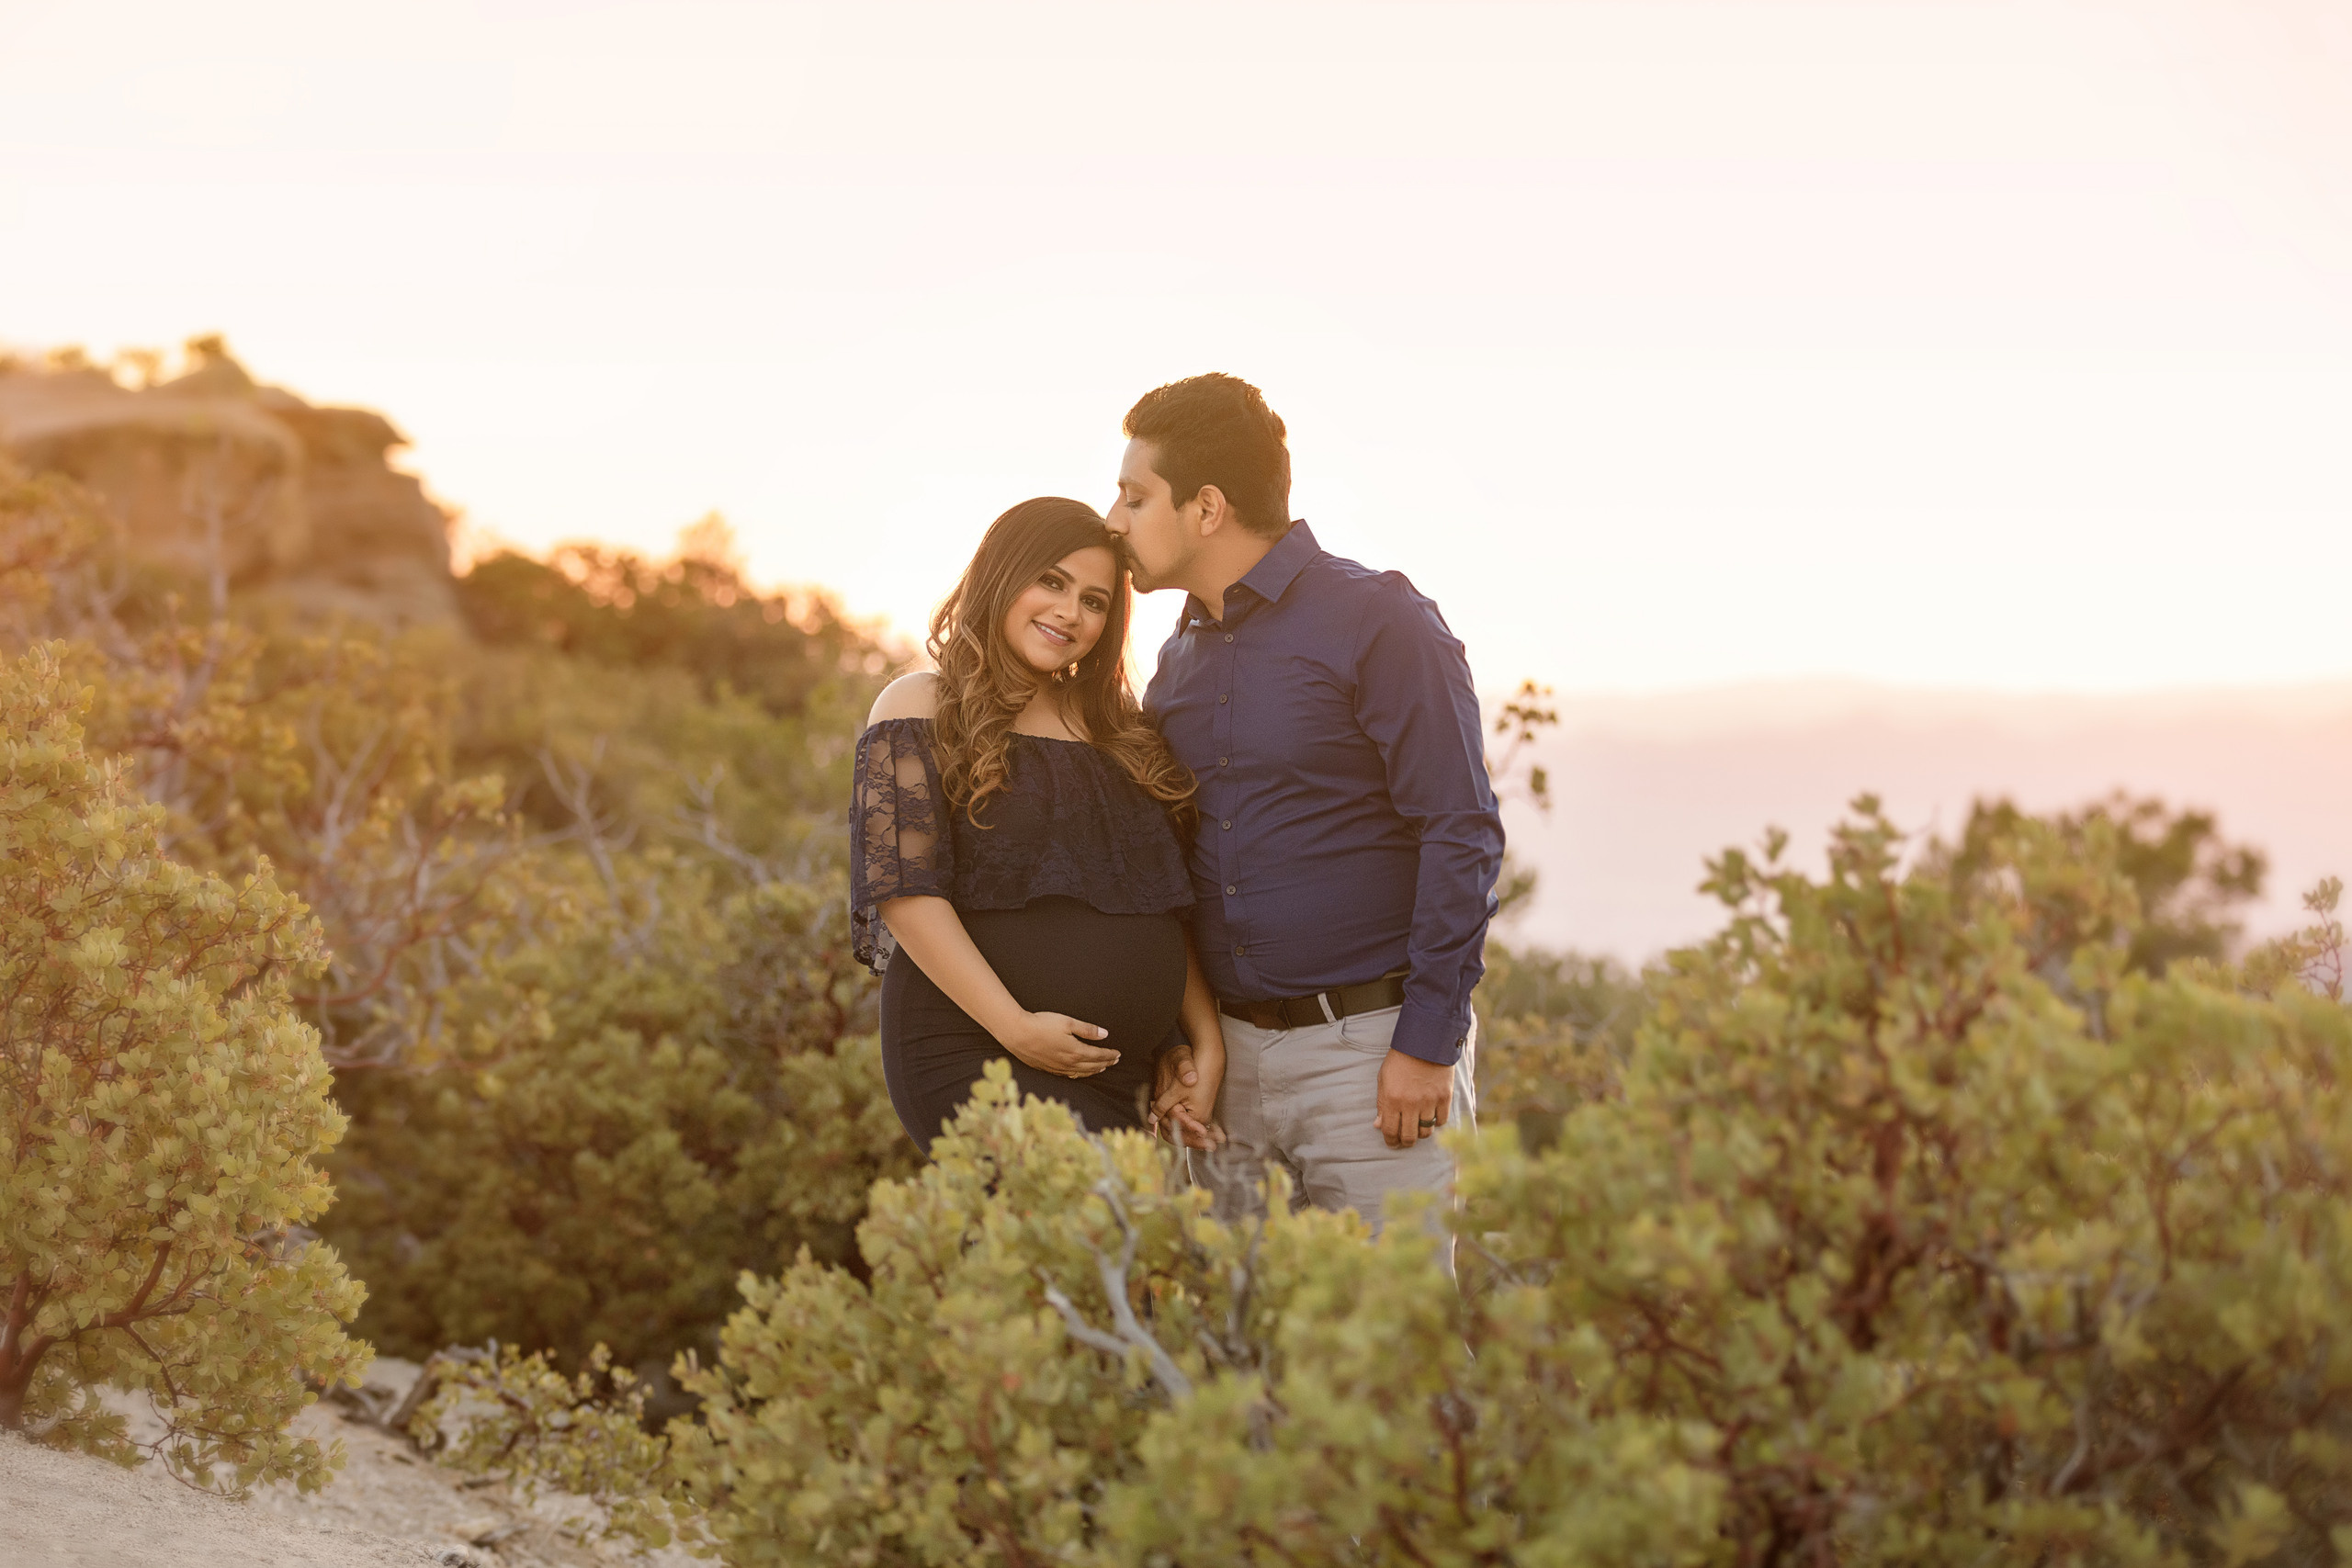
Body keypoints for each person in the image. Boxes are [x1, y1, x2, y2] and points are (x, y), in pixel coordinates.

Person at [1105, 374, 1505, 1249]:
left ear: (1206, 508)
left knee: (1393, 1360)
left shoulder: (1377, 620)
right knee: (1243, 1358)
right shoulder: (1178, 661)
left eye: (1135, 496)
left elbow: (1461, 828)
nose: (1114, 519)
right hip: (1230, 1071)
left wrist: (1428, 1044)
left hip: (1371, 1057)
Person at [851, 496, 1227, 1150]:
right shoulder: (919, 704)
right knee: (1067, 1228)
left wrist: (1198, 1037)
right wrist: (1016, 1027)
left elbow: (1159, 899)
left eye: (1094, 600)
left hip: (1116, 1073)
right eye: (1050, 581)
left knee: (1101, 1246)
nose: (1068, 612)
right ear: (1002, 575)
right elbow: (906, 893)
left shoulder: (1121, 731)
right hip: (977, 1051)